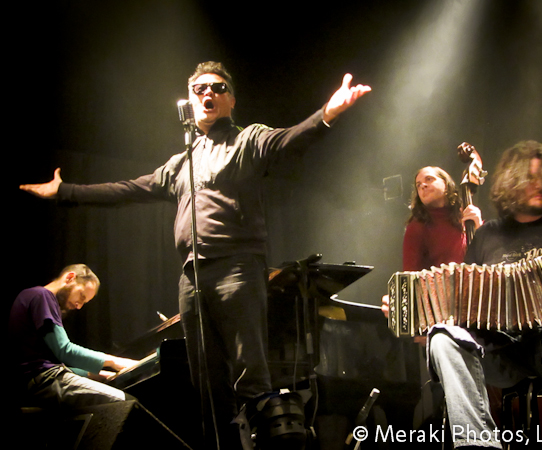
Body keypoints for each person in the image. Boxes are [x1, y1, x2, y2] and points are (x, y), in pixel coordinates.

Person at [19, 61, 371, 449]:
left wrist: (328, 114)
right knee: (207, 384)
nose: (208, 93)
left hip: (238, 267)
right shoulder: (180, 163)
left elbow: (288, 140)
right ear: (190, 100)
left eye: (218, 87)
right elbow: (128, 190)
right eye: (200, 88)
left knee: (250, 376)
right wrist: (65, 192)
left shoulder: (247, 140)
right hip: (192, 277)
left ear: (231, 99)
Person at [427, 141, 542, 449]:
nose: (539, 184)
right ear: (510, 182)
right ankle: (476, 444)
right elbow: (465, 299)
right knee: (443, 338)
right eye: (529, 177)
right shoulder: (488, 235)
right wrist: (418, 307)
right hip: (502, 349)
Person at [8, 264, 139, 410]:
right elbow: (64, 351)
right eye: (81, 296)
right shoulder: (42, 296)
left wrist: (97, 374)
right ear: (70, 278)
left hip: (34, 383)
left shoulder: (30, 295)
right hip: (45, 382)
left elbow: (49, 362)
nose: (79, 306)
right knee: (127, 402)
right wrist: (114, 361)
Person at [382, 165, 482, 314]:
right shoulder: (417, 226)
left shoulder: (466, 219)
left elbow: (487, 261)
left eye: (429, 179)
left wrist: (479, 226)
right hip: (439, 309)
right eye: (418, 185)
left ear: (446, 185)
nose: (423, 185)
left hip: (475, 304)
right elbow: (411, 275)